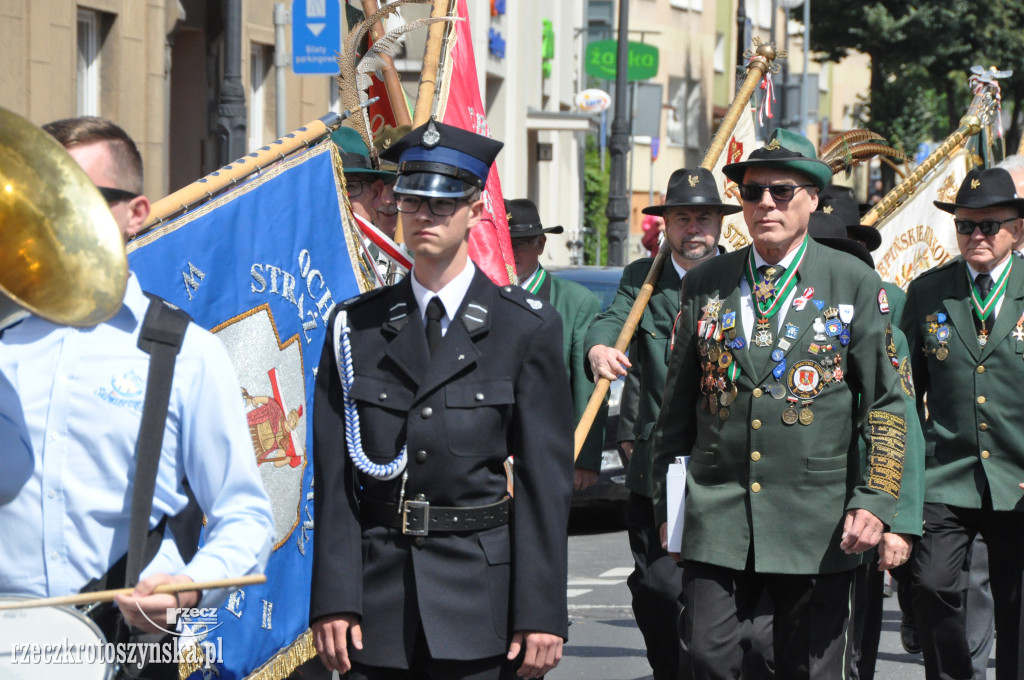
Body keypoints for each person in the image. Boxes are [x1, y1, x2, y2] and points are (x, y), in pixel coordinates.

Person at [0, 116, 274, 660]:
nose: (56, 217)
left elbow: (245, 516)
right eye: (43, 199)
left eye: (81, 197)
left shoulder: (188, 353)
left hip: (127, 650)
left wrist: (188, 586)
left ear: (136, 213)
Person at [309, 119, 574, 680]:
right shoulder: (356, 328)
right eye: (411, 202)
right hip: (378, 605)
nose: (423, 216)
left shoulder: (522, 328)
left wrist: (542, 612)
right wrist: (335, 598)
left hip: (481, 601)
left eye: (442, 203)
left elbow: (542, 482)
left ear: (476, 211)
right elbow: (333, 480)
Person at [651, 129, 908, 680]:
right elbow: (677, 410)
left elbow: (886, 403)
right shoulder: (705, 283)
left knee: (805, 667)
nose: (766, 203)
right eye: (752, 193)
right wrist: (667, 513)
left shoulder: (852, 282)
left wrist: (878, 500)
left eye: (782, 192)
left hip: (815, 520)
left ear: (813, 200)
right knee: (704, 655)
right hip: (716, 513)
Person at [585, 167, 746, 680]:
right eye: (682, 218)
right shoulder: (643, 277)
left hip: (726, 462)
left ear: (720, 225)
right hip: (659, 469)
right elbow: (614, 319)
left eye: (703, 217)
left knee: (719, 594)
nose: (693, 228)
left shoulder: (743, 276)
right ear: (666, 225)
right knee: (658, 587)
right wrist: (599, 347)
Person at [900, 166, 1024, 680]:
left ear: (1017, 230)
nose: (976, 236)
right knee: (929, 585)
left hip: (1018, 477)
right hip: (947, 475)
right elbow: (904, 392)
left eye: (989, 226)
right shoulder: (929, 292)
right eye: (966, 225)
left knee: (1018, 609)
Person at [507, 198, 604, 490]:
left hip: (547, 456)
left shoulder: (575, 301)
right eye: (505, 242)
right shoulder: (481, 297)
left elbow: (586, 385)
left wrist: (583, 458)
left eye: (520, 244)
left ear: (541, 244)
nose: (511, 252)